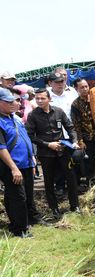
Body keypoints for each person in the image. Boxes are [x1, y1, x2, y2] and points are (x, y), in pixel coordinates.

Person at [26, 88, 80, 216]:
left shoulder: (59, 111)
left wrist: (74, 141)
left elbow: (70, 127)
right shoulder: (33, 115)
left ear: (49, 99)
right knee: (49, 182)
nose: (39, 101)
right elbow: (30, 135)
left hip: (63, 150)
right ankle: (54, 209)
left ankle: (75, 206)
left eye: (42, 98)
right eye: (37, 98)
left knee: (71, 178)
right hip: (46, 153)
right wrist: (48, 144)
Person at [0, 87, 40, 237]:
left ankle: (26, 222)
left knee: (27, 195)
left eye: (14, 101)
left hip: (26, 163)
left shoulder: (14, 118)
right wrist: (13, 168)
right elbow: (1, 148)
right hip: (11, 166)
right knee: (17, 197)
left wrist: (32, 159)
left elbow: (25, 139)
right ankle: (20, 229)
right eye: (8, 101)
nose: (13, 104)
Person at [70, 78, 95, 186]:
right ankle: (90, 181)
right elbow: (76, 123)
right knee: (89, 160)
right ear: (76, 89)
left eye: (86, 86)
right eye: (82, 87)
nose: (85, 89)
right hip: (87, 136)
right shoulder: (75, 104)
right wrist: (80, 140)